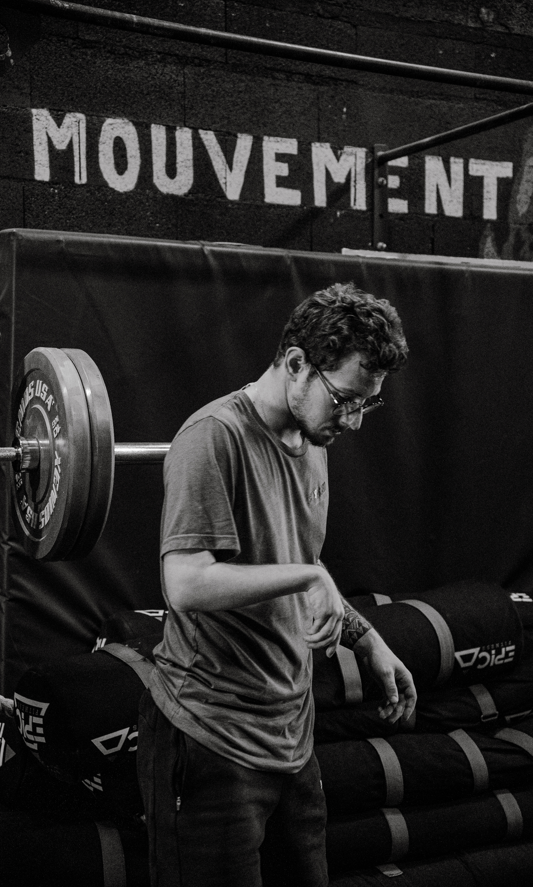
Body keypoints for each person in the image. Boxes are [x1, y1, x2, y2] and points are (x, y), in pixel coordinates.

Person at [137, 282, 417, 887]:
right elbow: (184, 582)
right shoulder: (212, 438)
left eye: (367, 405)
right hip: (210, 734)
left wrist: (366, 640)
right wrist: (310, 574)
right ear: (296, 364)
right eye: (345, 399)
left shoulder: (314, 437)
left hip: (292, 736)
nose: (354, 420)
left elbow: (295, 559)